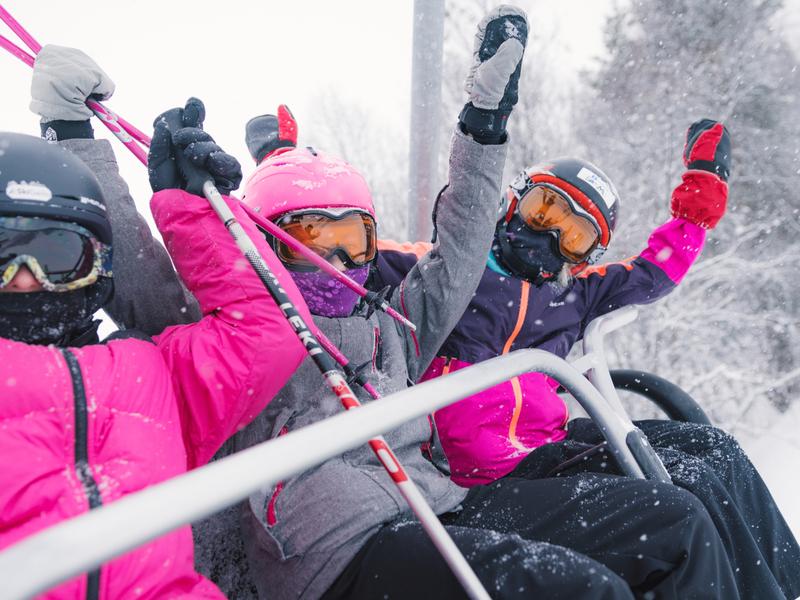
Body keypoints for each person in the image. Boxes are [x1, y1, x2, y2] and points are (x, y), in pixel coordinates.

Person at [372, 124, 800, 598]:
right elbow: (342, 255)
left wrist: (701, 193)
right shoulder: (440, 272)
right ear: (514, 202)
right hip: (470, 476)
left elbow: (654, 271)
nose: (550, 236)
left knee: (713, 454)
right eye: (545, 210)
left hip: (545, 451)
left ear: (585, 255)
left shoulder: (572, 295)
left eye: (573, 236)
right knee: (677, 509)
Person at [0, 49, 313, 598]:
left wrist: (190, 207)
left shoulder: (149, 375)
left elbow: (266, 331)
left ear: (98, 267)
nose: (26, 280)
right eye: (4, 255)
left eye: (55, 257)